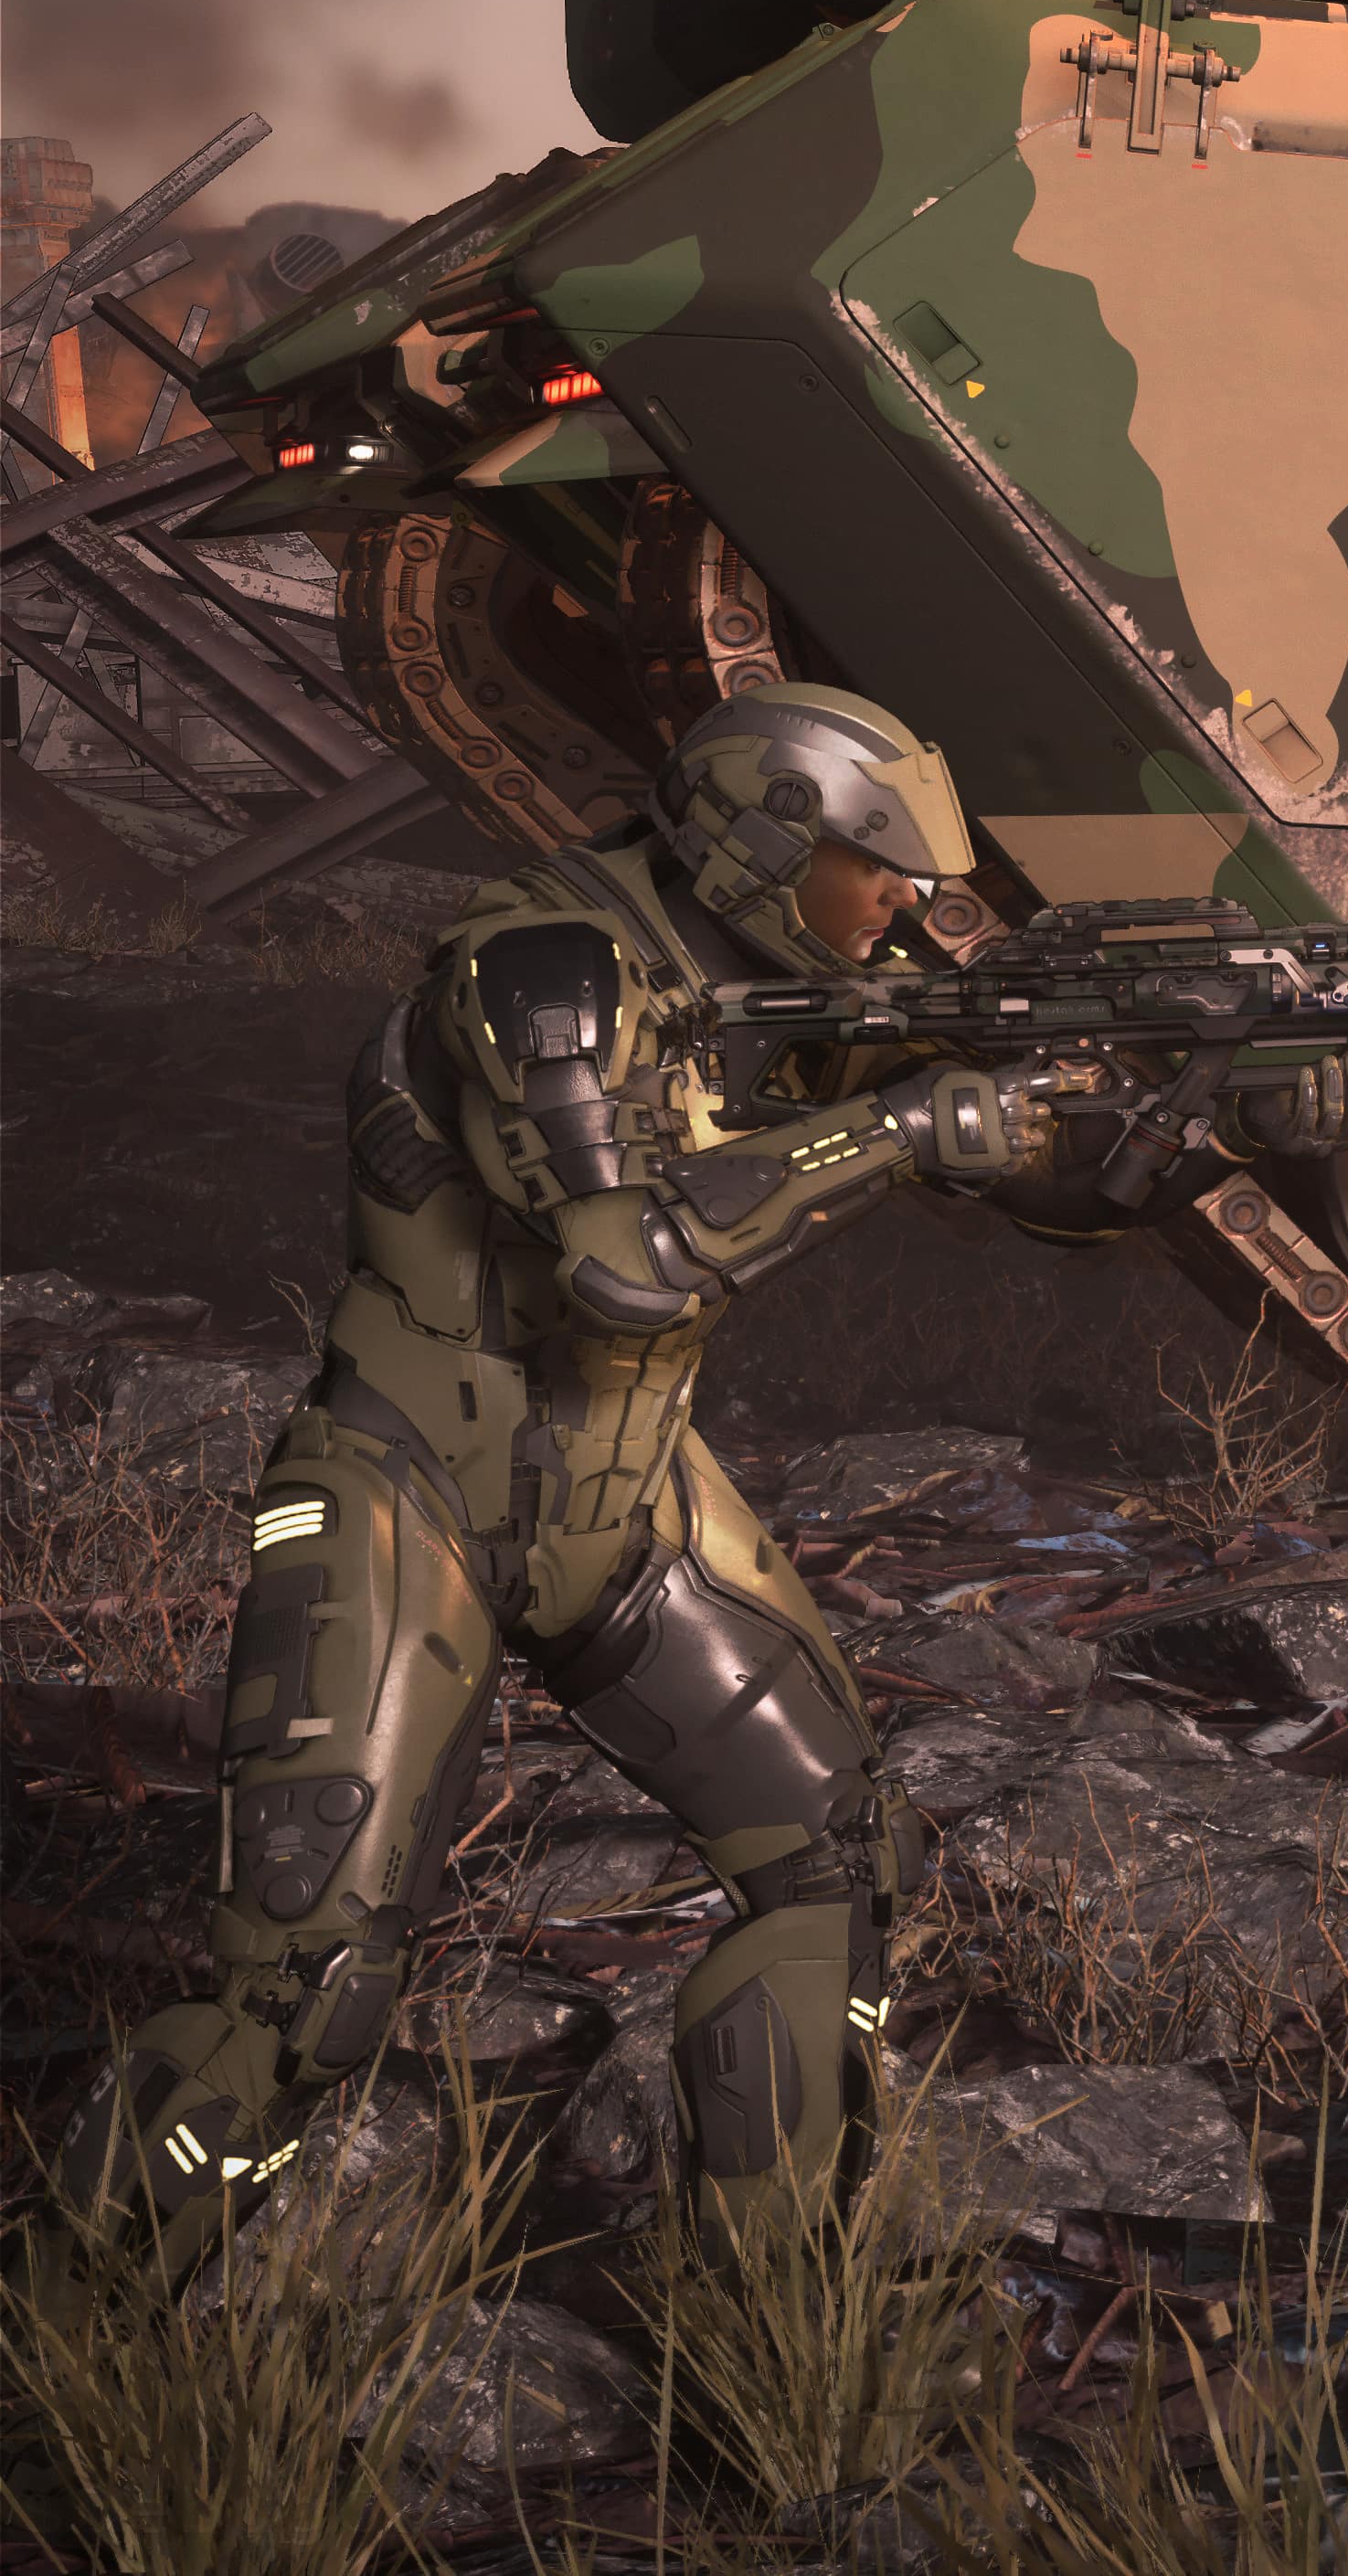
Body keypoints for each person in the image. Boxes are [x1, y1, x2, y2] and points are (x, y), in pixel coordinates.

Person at [60, 687, 1081, 2266]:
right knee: (308, 1993)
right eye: (877, 870)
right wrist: (891, 1130)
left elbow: (1037, 1168)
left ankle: (773, 2319)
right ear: (756, 848)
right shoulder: (543, 975)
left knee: (835, 1872)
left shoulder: (777, 978)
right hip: (413, 1490)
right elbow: (627, 1267)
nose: (903, 908)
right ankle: (61, 2321)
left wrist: (1191, 1114)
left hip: (625, 1499)